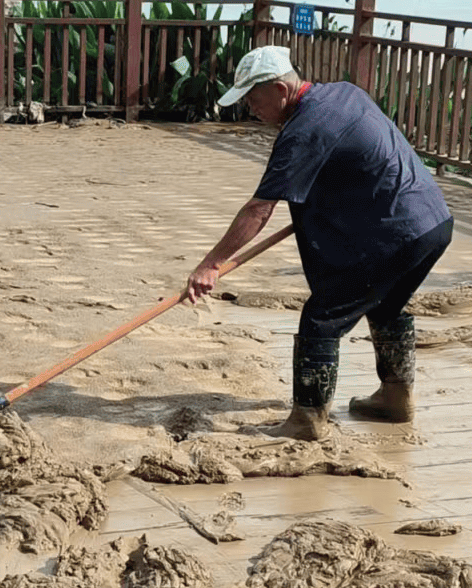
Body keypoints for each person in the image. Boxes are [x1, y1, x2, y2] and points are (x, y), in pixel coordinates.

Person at [184, 44, 453, 440]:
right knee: (386, 304)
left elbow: (259, 209)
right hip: (433, 225)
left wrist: (211, 263)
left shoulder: (303, 131)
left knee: (322, 316)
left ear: (279, 89)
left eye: (253, 99)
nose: (250, 109)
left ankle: (306, 421)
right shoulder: (344, 92)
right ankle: (395, 399)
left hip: (396, 231)